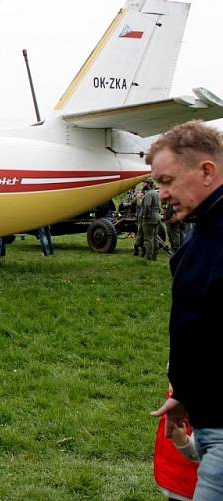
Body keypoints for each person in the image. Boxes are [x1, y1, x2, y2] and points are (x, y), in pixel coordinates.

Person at [148, 120, 223, 500]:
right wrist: (188, 392)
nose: (161, 194)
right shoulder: (206, 228)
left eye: (167, 181)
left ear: (207, 171)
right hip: (207, 422)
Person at [141, 180, 162, 260]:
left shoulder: (149, 194)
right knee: (155, 237)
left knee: (148, 238)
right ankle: (155, 256)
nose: (143, 185)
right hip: (157, 216)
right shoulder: (156, 193)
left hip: (150, 218)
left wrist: (145, 216)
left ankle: (148, 257)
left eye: (145, 183)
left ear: (148, 184)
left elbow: (147, 206)